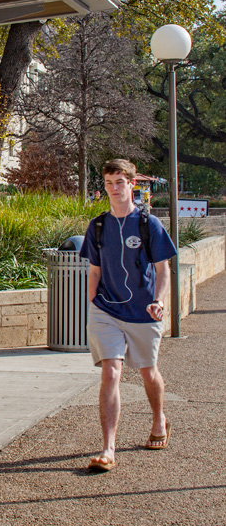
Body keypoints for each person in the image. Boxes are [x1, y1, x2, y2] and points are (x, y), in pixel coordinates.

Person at [80, 158, 177, 472]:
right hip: (107, 309)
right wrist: (94, 301)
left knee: (148, 373)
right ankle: (108, 448)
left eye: (119, 182)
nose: (113, 189)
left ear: (132, 184)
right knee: (111, 372)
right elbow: (94, 271)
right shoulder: (97, 226)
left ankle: (159, 418)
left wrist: (159, 301)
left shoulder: (149, 224)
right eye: (109, 183)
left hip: (143, 310)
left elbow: (164, 270)